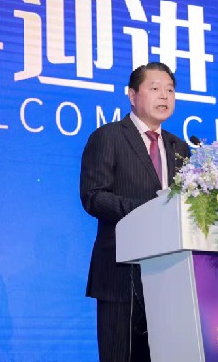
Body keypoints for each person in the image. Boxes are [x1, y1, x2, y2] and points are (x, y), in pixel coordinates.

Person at [80, 62, 191, 362]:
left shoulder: (180, 148)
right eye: (155, 88)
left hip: (171, 277)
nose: (164, 96)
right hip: (121, 275)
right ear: (132, 95)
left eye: (170, 90)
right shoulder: (108, 137)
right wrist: (151, 211)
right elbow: (93, 196)